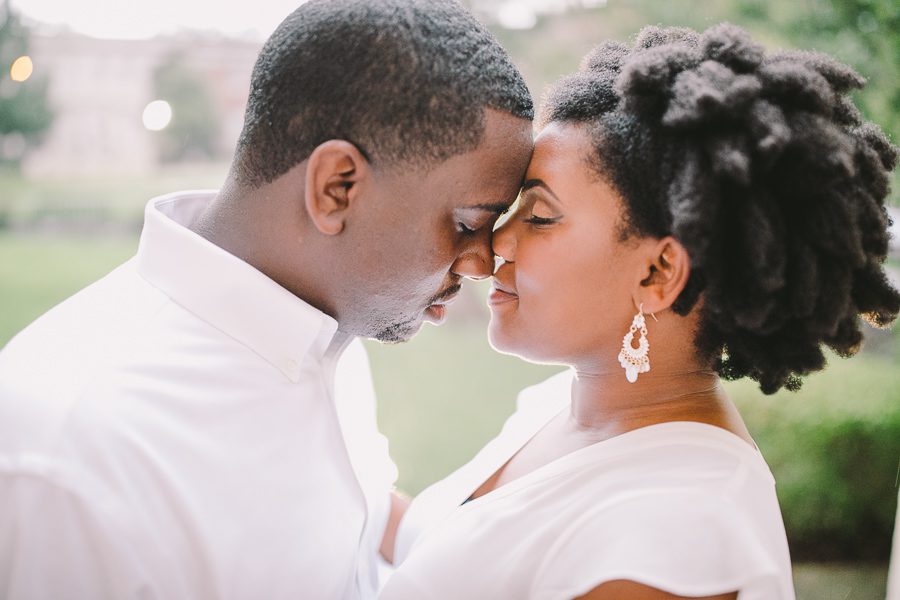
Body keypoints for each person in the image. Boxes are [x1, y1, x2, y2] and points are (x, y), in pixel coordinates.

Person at [0, 1, 534, 598]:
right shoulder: (70, 460)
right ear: (337, 188)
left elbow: (357, 521)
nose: (483, 262)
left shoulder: (326, 317)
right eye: (467, 223)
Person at [381, 23, 899, 600]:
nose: (498, 240)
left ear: (658, 274)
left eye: (541, 216)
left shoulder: (676, 539)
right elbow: (435, 550)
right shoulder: (563, 405)